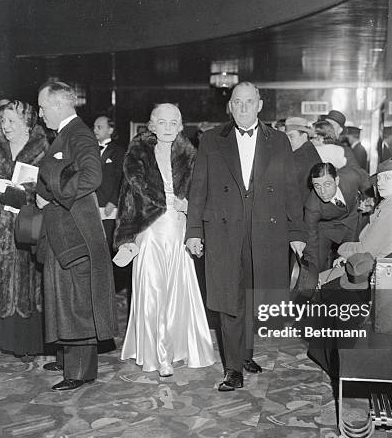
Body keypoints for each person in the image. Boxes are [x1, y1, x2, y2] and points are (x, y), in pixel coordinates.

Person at [186, 82, 308, 391]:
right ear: (229, 106)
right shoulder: (212, 140)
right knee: (230, 299)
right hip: (224, 232)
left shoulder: (278, 141)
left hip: (266, 230)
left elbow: (291, 189)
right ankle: (232, 368)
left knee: (256, 294)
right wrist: (194, 231)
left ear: (260, 105)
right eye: (237, 102)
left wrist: (296, 231)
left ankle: (246, 353)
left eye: (248, 102)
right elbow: (198, 188)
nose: (242, 108)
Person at [114, 104, 215, 377]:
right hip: (149, 231)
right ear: (152, 125)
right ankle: (158, 355)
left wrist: (189, 206)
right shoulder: (137, 156)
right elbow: (127, 200)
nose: (168, 127)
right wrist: (126, 237)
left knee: (176, 292)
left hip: (178, 231)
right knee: (152, 291)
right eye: (162, 122)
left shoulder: (191, 156)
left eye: (174, 122)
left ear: (181, 126)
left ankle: (176, 348)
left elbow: (204, 195)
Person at [35, 80, 117, 391]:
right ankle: (70, 360)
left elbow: (92, 177)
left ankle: (80, 371)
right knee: (66, 295)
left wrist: (55, 195)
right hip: (64, 229)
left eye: (43, 107)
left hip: (75, 230)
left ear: (58, 105)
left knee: (77, 298)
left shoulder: (78, 134)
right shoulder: (66, 134)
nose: (41, 114)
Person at [0, 100, 48, 360]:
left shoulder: (43, 148)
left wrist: (28, 192)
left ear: (27, 122)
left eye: (12, 121)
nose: (6, 125)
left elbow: (51, 185)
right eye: (3, 120)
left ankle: (23, 341)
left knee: (27, 280)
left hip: (27, 224)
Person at [335, 159, 392, 263]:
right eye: (379, 179)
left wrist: (342, 248)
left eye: (387, 178)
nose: (379, 183)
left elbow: (365, 250)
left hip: (382, 270)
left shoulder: (391, 211)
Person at [93, 115, 127, 352]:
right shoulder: (90, 150)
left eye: (99, 126)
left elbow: (123, 179)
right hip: (92, 211)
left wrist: (113, 201)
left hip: (111, 213)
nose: (95, 130)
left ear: (111, 129)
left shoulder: (118, 151)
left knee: (110, 263)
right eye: (94, 126)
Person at [303, 163, 365, 272]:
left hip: (351, 221)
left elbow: (364, 179)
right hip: (326, 228)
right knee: (316, 264)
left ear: (336, 181)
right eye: (317, 186)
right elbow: (311, 243)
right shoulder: (311, 206)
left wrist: (368, 198)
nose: (322, 191)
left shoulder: (350, 177)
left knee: (351, 264)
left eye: (327, 184)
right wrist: (312, 275)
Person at [284, 116, 322, 205]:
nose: (288, 141)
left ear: (304, 136)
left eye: (291, 136)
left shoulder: (300, 157)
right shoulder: (309, 150)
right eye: (286, 137)